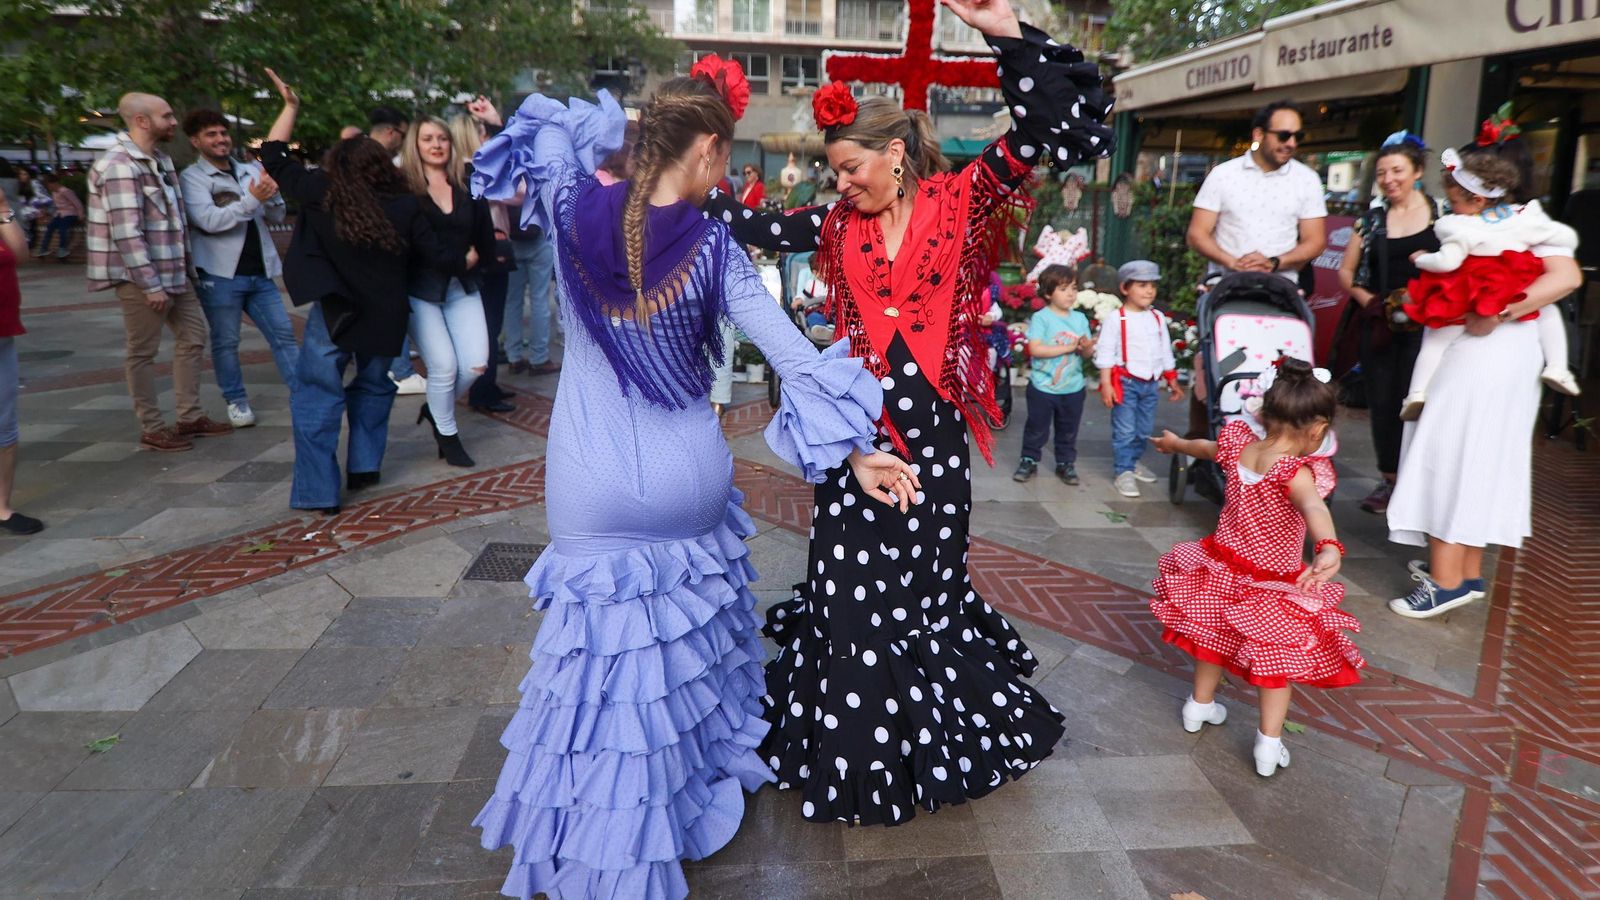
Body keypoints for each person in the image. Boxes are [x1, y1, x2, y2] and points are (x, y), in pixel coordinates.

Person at [469, 61, 912, 897]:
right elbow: (795, 357)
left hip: (589, 484)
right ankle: (683, 799)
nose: (722, 173)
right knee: (687, 651)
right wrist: (858, 450)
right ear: (708, 148)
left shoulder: (568, 206)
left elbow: (546, 125)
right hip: (690, 481)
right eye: (724, 156)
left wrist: (612, 131)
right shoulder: (715, 249)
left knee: (603, 678)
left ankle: (605, 851)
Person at [704, 0, 1112, 826]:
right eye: (834, 172)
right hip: (856, 442)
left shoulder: (964, 199)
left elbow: (1039, 127)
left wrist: (1003, 29)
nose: (841, 183)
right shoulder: (832, 225)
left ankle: (921, 750)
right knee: (849, 596)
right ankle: (854, 757)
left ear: (895, 154)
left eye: (852, 167)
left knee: (925, 596)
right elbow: (750, 220)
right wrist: (679, 170)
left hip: (934, 446)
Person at [1386, 137, 1584, 619]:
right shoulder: (1524, 221)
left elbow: (1567, 277)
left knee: (1449, 450)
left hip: (1483, 352)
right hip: (1507, 354)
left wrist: (1496, 311)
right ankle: (1465, 572)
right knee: (1478, 455)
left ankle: (1446, 581)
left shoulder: (1516, 223)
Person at [259, 68, 463, 514]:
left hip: (335, 311)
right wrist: (472, 253)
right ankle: (365, 466)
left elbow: (273, 155)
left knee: (316, 395)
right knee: (373, 387)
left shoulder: (320, 191)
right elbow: (440, 256)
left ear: (337, 165)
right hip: (387, 314)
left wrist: (290, 107)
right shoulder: (405, 205)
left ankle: (318, 492)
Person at [1149, 358, 1363, 777]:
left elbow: (1204, 448)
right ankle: (1268, 744)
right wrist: (1328, 546)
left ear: (1263, 412)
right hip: (1270, 584)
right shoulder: (1295, 472)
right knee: (1275, 666)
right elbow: (1314, 507)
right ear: (1318, 429)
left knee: (1210, 639)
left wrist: (1175, 444)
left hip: (1221, 568)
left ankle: (1199, 706)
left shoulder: (1238, 445)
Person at [87, 92, 232, 452]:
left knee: (193, 337)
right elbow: (127, 232)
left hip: (175, 271)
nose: (174, 122)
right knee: (142, 351)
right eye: (166, 116)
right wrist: (149, 284)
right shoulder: (120, 165)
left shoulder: (160, 160)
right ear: (141, 120)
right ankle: (152, 426)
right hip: (141, 278)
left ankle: (189, 416)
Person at [1398, 146, 1580, 420]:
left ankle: (1416, 392)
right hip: (1508, 295)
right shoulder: (1525, 219)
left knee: (1437, 343)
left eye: (1453, 201)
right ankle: (1558, 366)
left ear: (1478, 198)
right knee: (1550, 314)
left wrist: (1422, 259)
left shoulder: (1460, 225)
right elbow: (1560, 238)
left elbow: (1567, 277)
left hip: (1475, 304)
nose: (1451, 207)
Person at [1336, 131, 1441, 514]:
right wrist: (1371, 301)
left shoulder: (1444, 215)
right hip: (1381, 324)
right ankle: (1391, 479)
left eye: (1397, 170)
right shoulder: (1370, 221)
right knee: (1383, 403)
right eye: (1382, 173)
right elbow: (1346, 273)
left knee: (1425, 400)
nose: (1389, 179)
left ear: (1417, 171)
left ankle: (1422, 483)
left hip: (1431, 326)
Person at [180, 108, 299, 428]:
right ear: (195, 141)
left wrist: (271, 196)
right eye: (211, 134)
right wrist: (252, 199)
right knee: (226, 341)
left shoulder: (248, 170)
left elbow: (276, 216)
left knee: (284, 335)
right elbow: (208, 221)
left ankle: (304, 392)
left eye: (223, 133)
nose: (220, 139)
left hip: (260, 271)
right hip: (219, 275)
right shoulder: (192, 178)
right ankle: (236, 401)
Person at [400, 115, 495, 467]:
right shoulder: (404, 187)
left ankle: (435, 409)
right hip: (420, 288)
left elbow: (483, 232)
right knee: (443, 367)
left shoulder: (466, 181)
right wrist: (461, 259)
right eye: (428, 139)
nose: (436, 145)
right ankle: (448, 434)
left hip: (462, 285)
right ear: (416, 144)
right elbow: (416, 243)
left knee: (475, 365)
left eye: (442, 138)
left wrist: (482, 257)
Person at [1187, 101, 1328, 282]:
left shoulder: (1307, 179)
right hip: (1224, 284)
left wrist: (1275, 262)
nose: (1291, 143)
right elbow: (1197, 234)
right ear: (1259, 135)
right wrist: (1233, 263)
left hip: (1280, 287)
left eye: (1298, 136)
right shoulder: (1223, 174)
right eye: (1284, 136)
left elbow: (1316, 241)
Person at [1093, 260, 1184, 498]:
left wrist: (1172, 377)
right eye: (1142, 285)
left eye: (1152, 285)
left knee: (1143, 429)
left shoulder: (1157, 317)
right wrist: (1106, 384)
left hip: (1150, 383)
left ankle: (1132, 463)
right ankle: (1123, 470)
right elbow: (1105, 353)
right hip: (1126, 383)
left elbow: (1165, 349)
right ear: (1125, 288)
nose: (1149, 291)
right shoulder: (1117, 318)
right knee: (1125, 430)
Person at [449, 106, 518, 415]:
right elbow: (518, 191)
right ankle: (482, 391)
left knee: (488, 322)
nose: (486, 137)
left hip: (481, 253)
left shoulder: (459, 170)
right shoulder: (475, 171)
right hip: (487, 253)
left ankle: (486, 385)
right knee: (489, 323)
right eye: (482, 132)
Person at [1013, 264, 1093, 484]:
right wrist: (1069, 347)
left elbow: (1086, 353)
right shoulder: (1042, 318)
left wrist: (1087, 347)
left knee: (1068, 429)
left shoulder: (1080, 319)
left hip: (1073, 387)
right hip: (1043, 387)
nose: (1070, 294)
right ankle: (1029, 459)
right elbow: (1036, 349)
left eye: (1074, 288)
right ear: (1048, 293)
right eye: (1063, 289)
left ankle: (1065, 463)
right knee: (1036, 427)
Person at [0, 189, 43, 534]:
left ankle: (2, 508)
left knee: (5, 423)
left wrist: (3, 208)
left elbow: (20, 254)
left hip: (3, 333)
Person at [36, 172, 84, 261]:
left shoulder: (66, 191)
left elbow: (77, 203)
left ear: (53, 183)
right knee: (50, 228)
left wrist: (80, 215)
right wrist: (47, 213)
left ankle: (63, 249)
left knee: (63, 229)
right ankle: (43, 249)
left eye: (49, 185)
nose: (49, 188)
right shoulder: (54, 193)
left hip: (70, 214)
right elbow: (55, 206)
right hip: (59, 214)